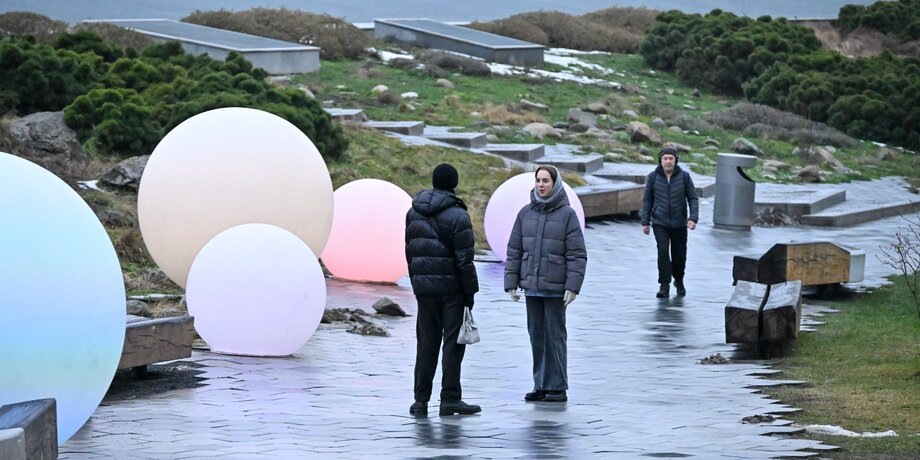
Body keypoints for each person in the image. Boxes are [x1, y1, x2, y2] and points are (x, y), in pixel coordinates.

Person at [504, 165, 587, 403]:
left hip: (555, 288)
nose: (541, 185)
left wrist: (572, 286)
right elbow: (514, 249)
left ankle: (557, 386)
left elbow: (577, 254)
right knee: (536, 336)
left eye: (546, 181)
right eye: (538, 180)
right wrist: (512, 281)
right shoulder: (525, 213)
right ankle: (540, 384)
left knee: (555, 336)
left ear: (555, 183)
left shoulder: (567, 215)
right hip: (532, 286)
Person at [405, 163, 480, 417]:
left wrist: (417, 283)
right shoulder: (459, 216)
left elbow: (409, 252)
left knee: (425, 343)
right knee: (452, 345)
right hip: (452, 291)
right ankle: (449, 399)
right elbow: (464, 261)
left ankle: (420, 401)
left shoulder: (413, 212)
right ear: (454, 185)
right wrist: (470, 293)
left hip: (424, 290)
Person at [640, 147, 699, 298]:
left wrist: (692, 218)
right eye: (665, 158)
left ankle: (678, 280)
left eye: (671, 158)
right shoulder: (653, 177)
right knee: (663, 252)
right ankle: (664, 285)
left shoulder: (684, 177)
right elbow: (647, 200)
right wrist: (645, 222)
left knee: (679, 256)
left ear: (676, 160)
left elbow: (693, 198)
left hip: (680, 224)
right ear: (660, 160)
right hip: (660, 222)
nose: (668, 161)